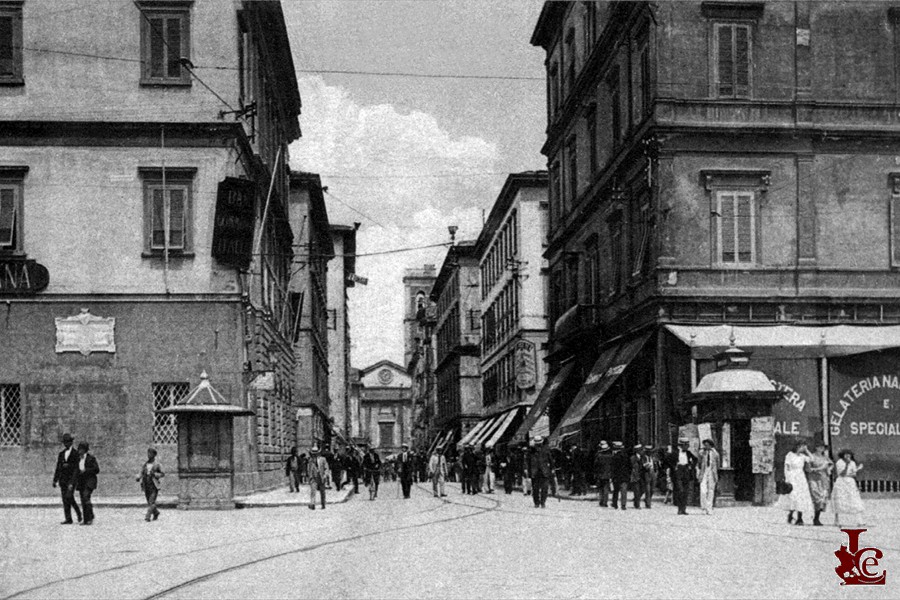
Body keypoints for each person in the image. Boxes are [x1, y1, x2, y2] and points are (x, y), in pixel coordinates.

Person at [779, 441, 814, 525]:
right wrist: (787, 478)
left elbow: (812, 459)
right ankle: (790, 514)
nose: (803, 448)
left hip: (800, 477)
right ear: (798, 446)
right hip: (792, 476)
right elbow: (787, 467)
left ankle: (800, 517)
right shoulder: (790, 455)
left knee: (801, 497)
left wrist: (807, 451)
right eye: (803, 447)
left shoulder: (802, 456)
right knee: (794, 496)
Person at [52, 433, 83, 525]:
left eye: (68, 442)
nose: (66, 444)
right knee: (65, 499)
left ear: (71, 442)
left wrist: (72, 481)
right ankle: (68, 518)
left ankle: (78, 513)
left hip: (71, 480)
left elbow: (76, 468)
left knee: (69, 497)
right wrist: (55, 480)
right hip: (63, 480)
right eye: (65, 442)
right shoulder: (61, 454)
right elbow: (58, 468)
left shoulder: (75, 453)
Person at [831, 449, 865, 527]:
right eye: (846, 455)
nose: (847, 456)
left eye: (849, 455)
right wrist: (846, 465)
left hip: (850, 482)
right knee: (839, 500)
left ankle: (859, 520)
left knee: (854, 499)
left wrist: (855, 470)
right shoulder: (839, 462)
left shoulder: (852, 463)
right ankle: (837, 520)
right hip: (841, 482)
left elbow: (854, 474)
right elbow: (842, 474)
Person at [806, 442, 833, 526]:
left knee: (822, 498)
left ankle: (816, 518)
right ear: (816, 448)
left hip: (823, 479)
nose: (821, 449)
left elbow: (831, 464)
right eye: (819, 447)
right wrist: (817, 469)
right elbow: (808, 469)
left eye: (823, 447)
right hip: (814, 479)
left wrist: (829, 469)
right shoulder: (812, 456)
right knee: (816, 497)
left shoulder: (825, 457)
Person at [668, 437, 697, 515]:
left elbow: (695, 459)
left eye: (687, 445)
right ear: (681, 445)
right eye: (685, 445)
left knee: (686, 491)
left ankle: (683, 509)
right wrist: (674, 467)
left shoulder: (688, 453)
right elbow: (667, 461)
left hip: (686, 471)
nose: (686, 447)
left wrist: (691, 466)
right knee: (680, 490)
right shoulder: (675, 453)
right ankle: (679, 508)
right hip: (678, 472)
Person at [74, 442, 99, 525]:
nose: (79, 451)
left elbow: (96, 469)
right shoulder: (77, 459)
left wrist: (86, 470)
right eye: (79, 449)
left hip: (89, 481)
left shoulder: (91, 458)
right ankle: (87, 518)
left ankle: (90, 517)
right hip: (81, 482)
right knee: (83, 499)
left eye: (81, 449)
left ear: (85, 450)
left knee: (86, 497)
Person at [136, 447, 164, 522]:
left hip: (154, 485)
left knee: (151, 502)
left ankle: (147, 516)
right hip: (146, 485)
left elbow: (162, 474)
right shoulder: (145, 464)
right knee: (149, 502)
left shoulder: (157, 464)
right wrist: (138, 477)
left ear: (154, 455)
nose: (149, 455)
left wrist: (155, 474)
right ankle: (156, 513)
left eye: (150, 453)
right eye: (148, 453)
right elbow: (141, 472)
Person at [529, 436, 553, 508]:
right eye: (536, 443)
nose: (538, 444)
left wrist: (552, 469)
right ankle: (536, 502)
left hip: (544, 472)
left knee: (545, 488)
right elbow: (528, 461)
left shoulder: (546, 449)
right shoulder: (531, 450)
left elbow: (550, 460)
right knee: (535, 489)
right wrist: (527, 469)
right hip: (535, 472)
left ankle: (543, 502)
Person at [697, 439, 720, 515]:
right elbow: (699, 463)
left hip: (711, 472)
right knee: (703, 490)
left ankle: (709, 508)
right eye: (705, 445)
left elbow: (718, 464)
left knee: (711, 490)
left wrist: (716, 472)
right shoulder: (701, 453)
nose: (706, 446)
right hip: (704, 472)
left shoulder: (715, 453)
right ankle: (703, 507)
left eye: (707, 445)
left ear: (710, 445)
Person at [611, 441, 631, 511]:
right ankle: (623, 504)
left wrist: (612, 475)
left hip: (617, 476)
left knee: (616, 490)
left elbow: (613, 467)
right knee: (624, 491)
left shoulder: (615, 457)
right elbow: (630, 466)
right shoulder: (626, 456)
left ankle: (615, 503)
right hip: (624, 476)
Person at [307, 445, 328, 510]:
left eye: (315, 453)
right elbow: (309, 468)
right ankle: (312, 504)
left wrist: (325, 475)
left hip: (321, 478)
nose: (314, 454)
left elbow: (326, 468)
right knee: (313, 491)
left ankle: (323, 504)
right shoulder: (310, 460)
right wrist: (310, 477)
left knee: (322, 492)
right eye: (313, 453)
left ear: (318, 453)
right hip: (314, 478)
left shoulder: (323, 459)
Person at [593, 440, 613, 507]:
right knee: (606, 488)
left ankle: (601, 501)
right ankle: (605, 502)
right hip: (608, 474)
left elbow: (595, 465)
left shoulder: (599, 456)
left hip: (600, 474)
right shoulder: (611, 456)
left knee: (601, 488)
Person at [630, 445, 645, 509]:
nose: (642, 451)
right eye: (641, 450)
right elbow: (632, 467)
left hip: (641, 475)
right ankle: (637, 504)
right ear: (638, 451)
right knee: (637, 490)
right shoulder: (633, 458)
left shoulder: (643, 457)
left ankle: (636, 500)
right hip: (635, 476)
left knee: (642, 489)